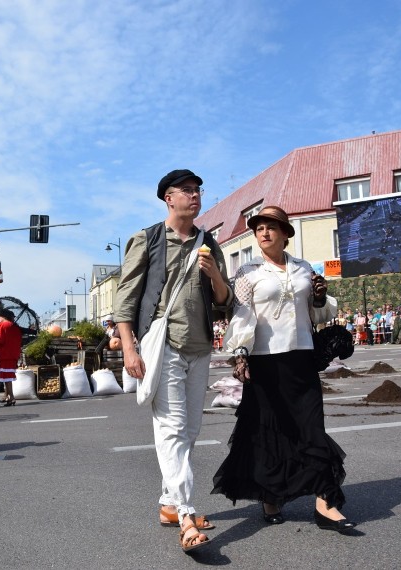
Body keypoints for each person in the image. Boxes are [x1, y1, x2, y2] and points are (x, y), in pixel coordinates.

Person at [210, 205, 355, 533]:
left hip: (302, 358)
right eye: (259, 227)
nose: (264, 232)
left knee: (311, 428)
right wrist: (240, 353)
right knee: (269, 432)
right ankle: (270, 495)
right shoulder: (247, 272)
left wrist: (320, 299)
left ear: (285, 233)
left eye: (271, 226)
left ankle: (325, 501)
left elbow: (317, 315)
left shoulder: (304, 269)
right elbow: (242, 314)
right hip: (265, 362)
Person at [115, 169, 232, 553]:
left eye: (198, 190)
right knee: (172, 428)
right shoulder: (147, 239)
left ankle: (168, 503)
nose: (195, 195)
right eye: (187, 190)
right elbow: (126, 297)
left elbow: (223, 300)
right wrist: (129, 348)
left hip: (199, 346)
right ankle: (185, 513)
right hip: (163, 345)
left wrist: (215, 274)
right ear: (169, 197)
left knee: (191, 430)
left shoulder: (207, 242)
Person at [0, 308, 23, 406]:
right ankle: (6, 396)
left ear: (2, 317)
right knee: (8, 377)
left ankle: (12, 397)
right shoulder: (15, 326)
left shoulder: (0, 325)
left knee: (6, 378)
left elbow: (1, 340)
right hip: (13, 355)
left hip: (4, 355)